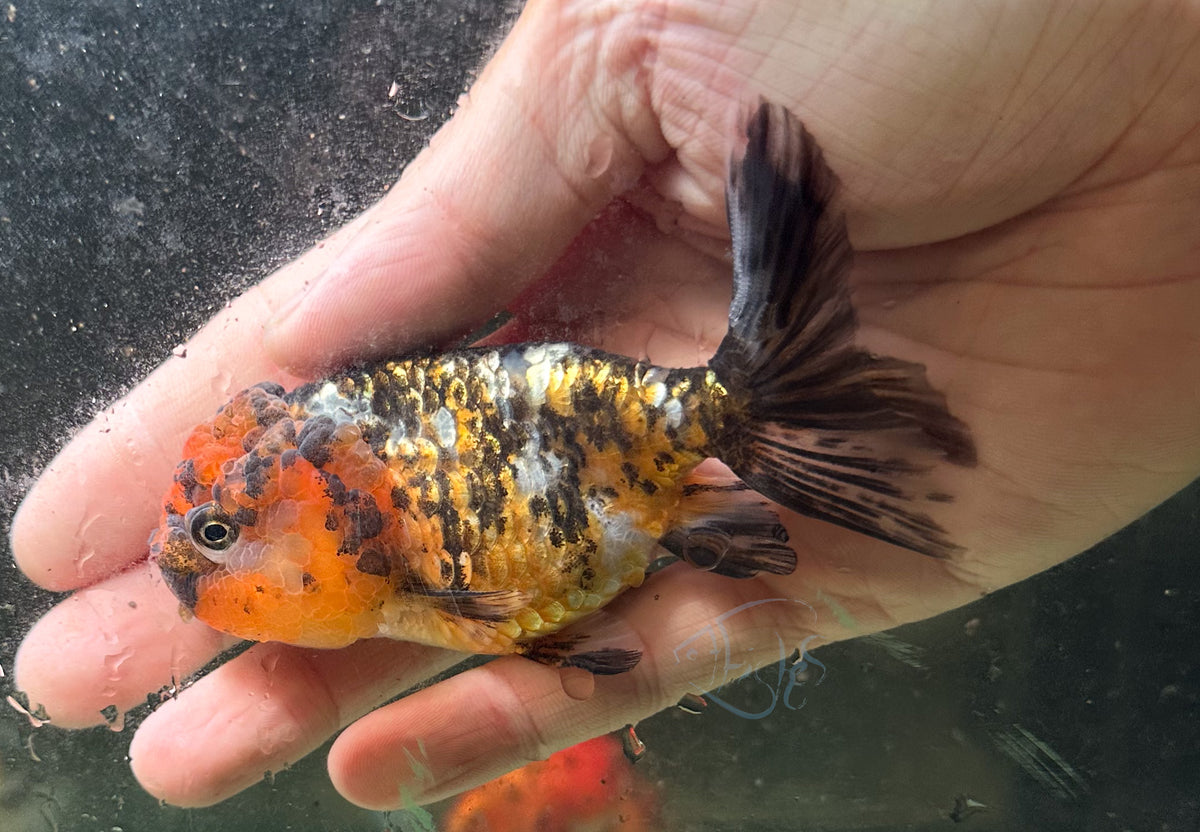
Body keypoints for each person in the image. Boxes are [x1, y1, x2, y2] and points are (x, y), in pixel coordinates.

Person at [11, 0, 1200, 812]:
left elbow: (526, 607)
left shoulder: (394, 548)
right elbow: (547, 621)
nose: (193, 563)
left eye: (217, 534)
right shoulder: (382, 559)